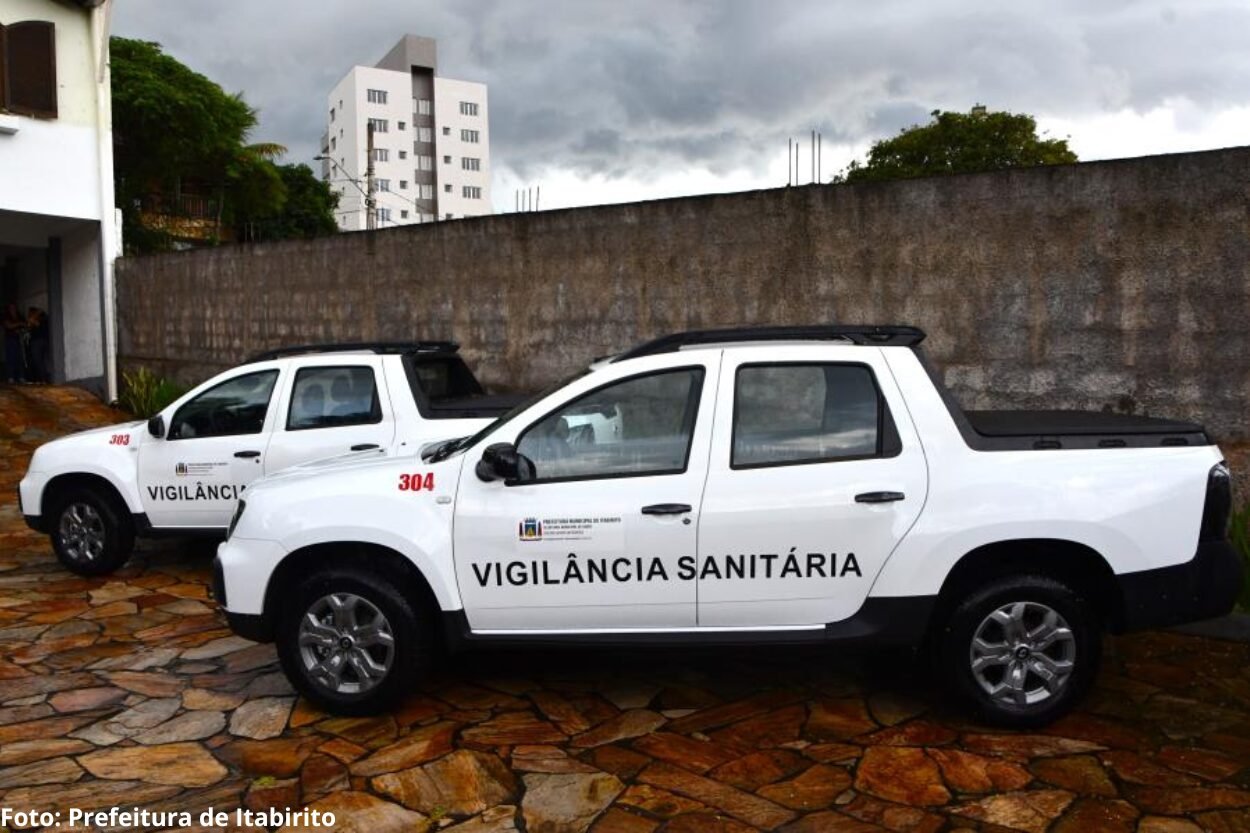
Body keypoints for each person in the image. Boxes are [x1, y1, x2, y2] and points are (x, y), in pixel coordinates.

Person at [2, 303, 25, 384]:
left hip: (18, 339)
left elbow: (24, 326)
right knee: (11, 358)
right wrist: (19, 324)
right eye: (11, 307)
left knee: (20, 358)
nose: (13, 308)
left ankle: (21, 377)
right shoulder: (6, 316)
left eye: (14, 307)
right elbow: (9, 326)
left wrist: (20, 331)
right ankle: (10, 377)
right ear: (8, 308)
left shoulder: (19, 316)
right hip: (10, 340)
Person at [26, 307, 49, 384]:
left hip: (38, 342)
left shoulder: (39, 318)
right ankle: (41, 379)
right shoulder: (41, 318)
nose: (28, 315)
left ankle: (43, 380)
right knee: (40, 361)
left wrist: (33, 317)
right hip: (41, 341)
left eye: (29, 313)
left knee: (38, 361)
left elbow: (30, 323)